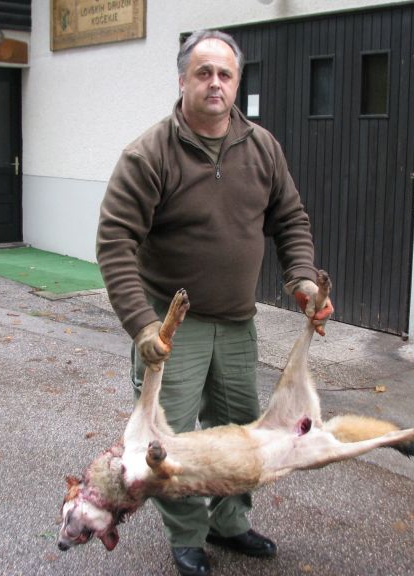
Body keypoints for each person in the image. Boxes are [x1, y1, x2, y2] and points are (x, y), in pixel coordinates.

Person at [96, 29, 333, 576]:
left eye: (225, 74)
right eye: (203, 72)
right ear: (182, 81)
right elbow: (114, 243)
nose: (215, 83)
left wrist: (301, 279)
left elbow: (290, 219)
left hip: (236, 323)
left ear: (237, 83)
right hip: (172, 330)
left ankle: (230, 522)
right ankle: (187, 536)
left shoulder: (263, 147)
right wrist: (143, 325)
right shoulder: (148, 155)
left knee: (242, 430)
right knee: (168, 440)